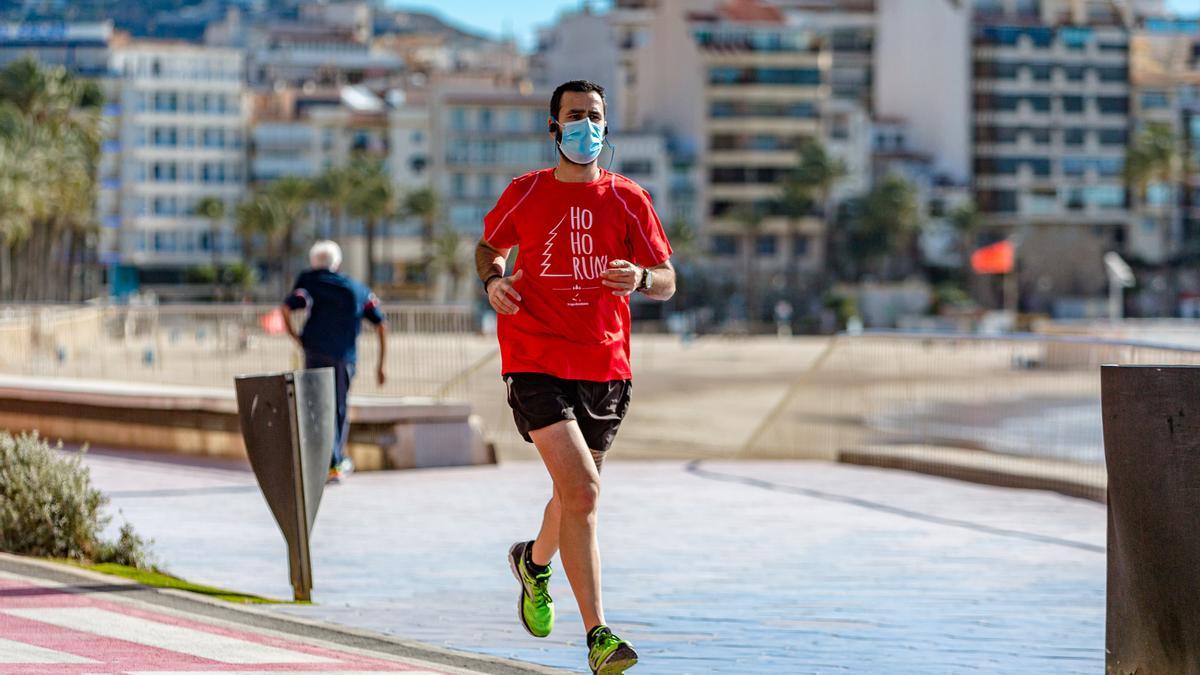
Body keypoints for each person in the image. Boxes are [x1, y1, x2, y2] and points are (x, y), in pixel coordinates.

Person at [475, 80, 675, 675]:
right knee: (584, 492)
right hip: (534, 356)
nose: (585, 125)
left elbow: (667, 278)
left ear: (605, 126)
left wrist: (640, 278)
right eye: (573, 116)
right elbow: (488, 247)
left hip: (606, 367)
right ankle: (600, 636)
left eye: (594, 116)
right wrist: (493, 282)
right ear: (554, 127)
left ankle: (533, 564)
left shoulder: (629, 199)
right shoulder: (526, 192)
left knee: (573, 495)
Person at [281, 240, 387, 483]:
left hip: (315, 353)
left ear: (313, 262)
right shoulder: (356, 288)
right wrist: (381, 364)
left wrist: (297, 338)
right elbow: (381, 323)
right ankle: (334, 463)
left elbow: (286, 308)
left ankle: (320, 462)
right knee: (338, 406)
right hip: (344, 357)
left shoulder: (308, 281)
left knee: (315, 405)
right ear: (337, 263)